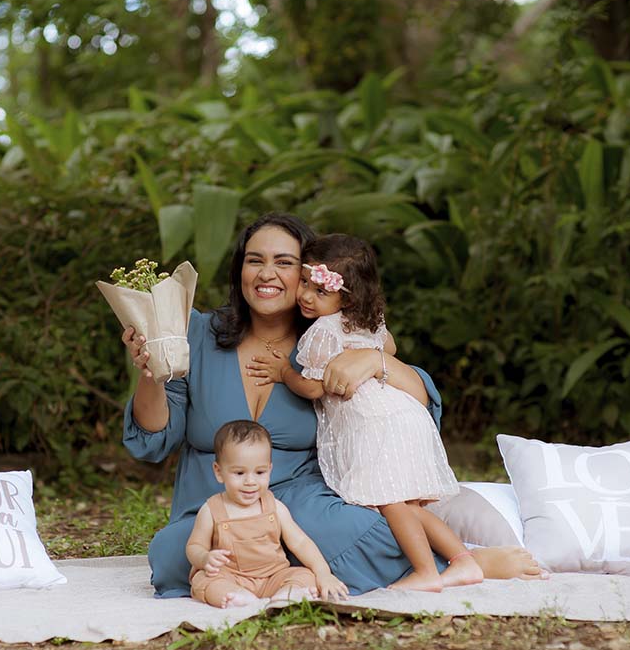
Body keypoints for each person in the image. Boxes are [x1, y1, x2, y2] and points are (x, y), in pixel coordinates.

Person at [122, 212, 543, 598]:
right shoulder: (196, 331)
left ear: (310, 275)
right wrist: (149, 373)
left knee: (371, 531)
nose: (268, 274)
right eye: (255, 260)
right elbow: (154, 439)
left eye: (285, 263)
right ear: (240, 270)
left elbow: (419, 402)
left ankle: (454, 563)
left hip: (302, 499)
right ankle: (296, 568)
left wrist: (376, 361)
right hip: (215, 502)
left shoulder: (330, 339)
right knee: (171, 555)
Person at [250, 233, 482, 592]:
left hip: (373, 422)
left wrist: (283, 373)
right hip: (402, 412)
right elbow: (389, 346)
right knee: (405, 505)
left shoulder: (322, 332)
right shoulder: (367, 319)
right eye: (307, 285)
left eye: (321, 291)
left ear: (347, 296)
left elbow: (315, 387)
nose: (307, 296)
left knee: (390, 503)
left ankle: (425, 572)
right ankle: (464, 561)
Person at [187, 419, 349, 608]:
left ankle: (287, 593)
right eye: (239, 473)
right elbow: (194, 546)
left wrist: (323, 573)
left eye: (260, 472)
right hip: (231, 576)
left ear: (270, 470)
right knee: (202, 580)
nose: (250, 481)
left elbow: (301, 543)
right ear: (219, 472)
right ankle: (235, 596)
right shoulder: (211, 510)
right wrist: (204, 558)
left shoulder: (275, 508)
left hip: (273, 576)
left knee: (304, 575)